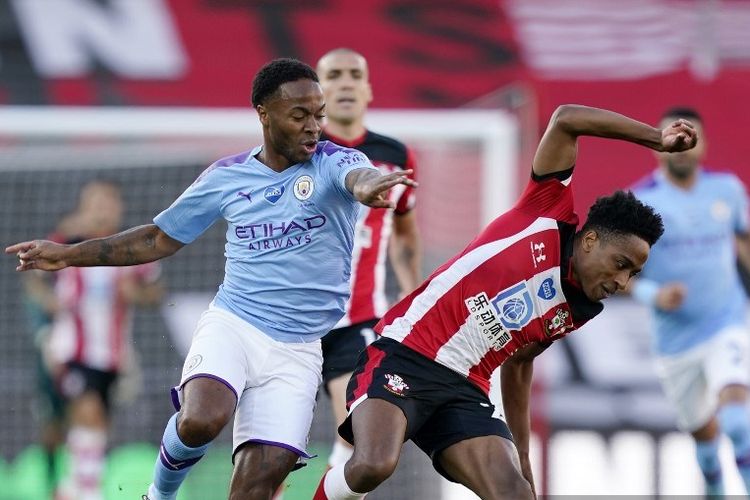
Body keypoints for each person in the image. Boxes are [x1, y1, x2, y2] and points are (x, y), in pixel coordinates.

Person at [6, 58, 416, 500]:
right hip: (234, 324)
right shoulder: (227, 177)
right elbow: (157, 238)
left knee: (261, 479)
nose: (313, 126)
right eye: (299, 115)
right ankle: (158, 495)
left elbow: (358, 176)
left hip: (299, 348)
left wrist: (369, 185)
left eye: (318, 114)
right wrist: (67, 255)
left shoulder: (337, 162)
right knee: (203, 416)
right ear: (263, 112)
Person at [311, 104, 698, 500]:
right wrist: (657, 138)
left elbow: (520, 362)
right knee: (374, 464)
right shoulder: (547, 209)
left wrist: (523, 454)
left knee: (516, 494)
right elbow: (566, 118)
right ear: (590, 239)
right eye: (621, 264)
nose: (621, 281)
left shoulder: (579, 308)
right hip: (407, 352)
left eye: (632, 274)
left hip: (465, 389)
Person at [629, 107, 750, 496]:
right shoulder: (640, 202)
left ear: (704, 145)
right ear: (656, 146)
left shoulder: (728, 190)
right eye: (672, 139)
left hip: (727, 323)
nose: (681, 147)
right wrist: (655, 294)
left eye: (689, 138)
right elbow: (620, 275)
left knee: (738, 424)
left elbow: (743, 241)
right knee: (707, 444)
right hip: (676, 343)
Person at [24, 180, 164, 500]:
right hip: (68, 349)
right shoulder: (67, 244)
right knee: (86, 413)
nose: (101, 209)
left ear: (119, 208)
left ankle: (70, 487)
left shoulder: (130, 250)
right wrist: (48, 301)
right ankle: (86, 492)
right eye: (94, 202)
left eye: (107, 203)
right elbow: (34, 279)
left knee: (93, 425)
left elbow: (155, 292)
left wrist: (136, 293)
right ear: (84, 207)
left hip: (111, 356)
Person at [316, 47, 422, 469]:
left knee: (359, 442)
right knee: (272, 451)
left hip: (358, 320)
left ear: (368, 89)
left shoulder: (395, 155)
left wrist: (414, 297)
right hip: (292, 321)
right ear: (318, 91)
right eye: (335, 75)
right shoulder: (299, 149)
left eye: (354, 74)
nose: (345, 83)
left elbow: (405, 229)